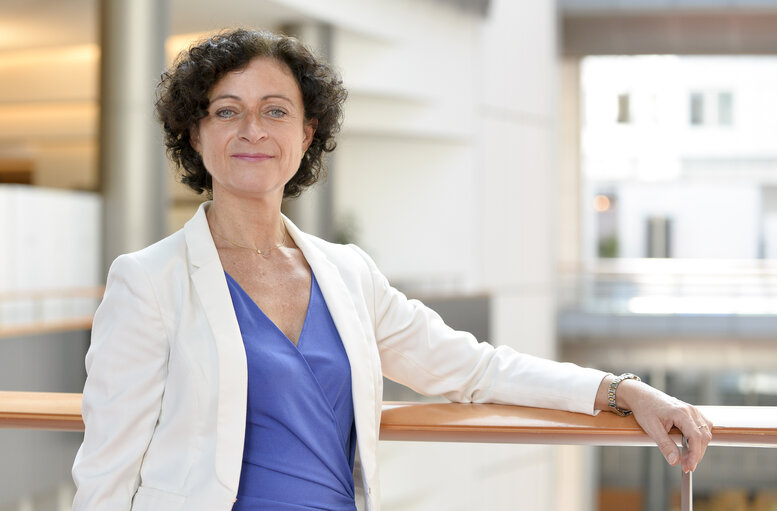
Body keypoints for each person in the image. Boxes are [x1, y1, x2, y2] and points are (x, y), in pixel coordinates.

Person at [71, 28, 712, 511]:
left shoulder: (347, 274)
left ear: (306, 132)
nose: (251, 130)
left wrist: (622, 390)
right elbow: (107, 472)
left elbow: (473, 369)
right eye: (226, 110)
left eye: (275, 110)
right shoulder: (148, 281)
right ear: (195, 133)